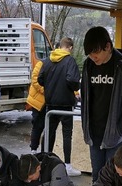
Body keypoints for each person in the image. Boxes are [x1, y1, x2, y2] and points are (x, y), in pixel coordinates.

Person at [81, 26, 122, 182]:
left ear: (107, 46)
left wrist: (119, 129)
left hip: (115, 134)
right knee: (97, 177)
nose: (93, 57)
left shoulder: (121, 64)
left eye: (96, 52)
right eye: (89, 54)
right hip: (94, 133)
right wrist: (86, 126)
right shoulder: (88, 65)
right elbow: (84, 96)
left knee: (113, 178)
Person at [38, 37, 81, 177]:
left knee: (49, 133)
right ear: (70, 47)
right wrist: (73, 89)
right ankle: (67, 165)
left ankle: (44, 162)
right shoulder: (70, 61)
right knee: (66, 134)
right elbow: (73, 79)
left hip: (50, 103)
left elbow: (40, 79)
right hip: (66, 104)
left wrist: (50, 87)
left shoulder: (48, 60)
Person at [26, 60, 46, 154]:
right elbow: (35, 80)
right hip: (38, 101)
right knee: (37, 126)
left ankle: (44, 152)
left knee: (48, 128)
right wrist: (45, 90)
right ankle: (33, 150)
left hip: (48, 101)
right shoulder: (42, 63)